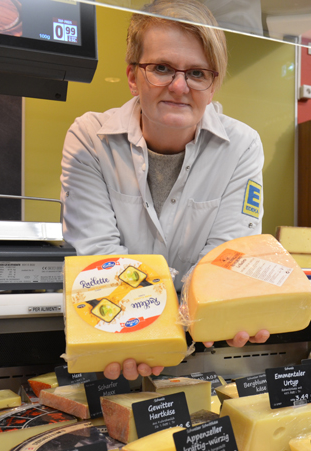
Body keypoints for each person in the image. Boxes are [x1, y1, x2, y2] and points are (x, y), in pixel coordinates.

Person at [60, 0, 270, 381]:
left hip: (196, 351)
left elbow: (222, 261)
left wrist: (213, 309)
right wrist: (154, 329)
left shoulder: (243, 146)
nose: (179, 86)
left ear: (214, 83)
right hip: (110, 342)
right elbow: (100, 261)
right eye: (161, 68)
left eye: (197, 73)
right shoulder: (90, 138)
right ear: (131, 76)